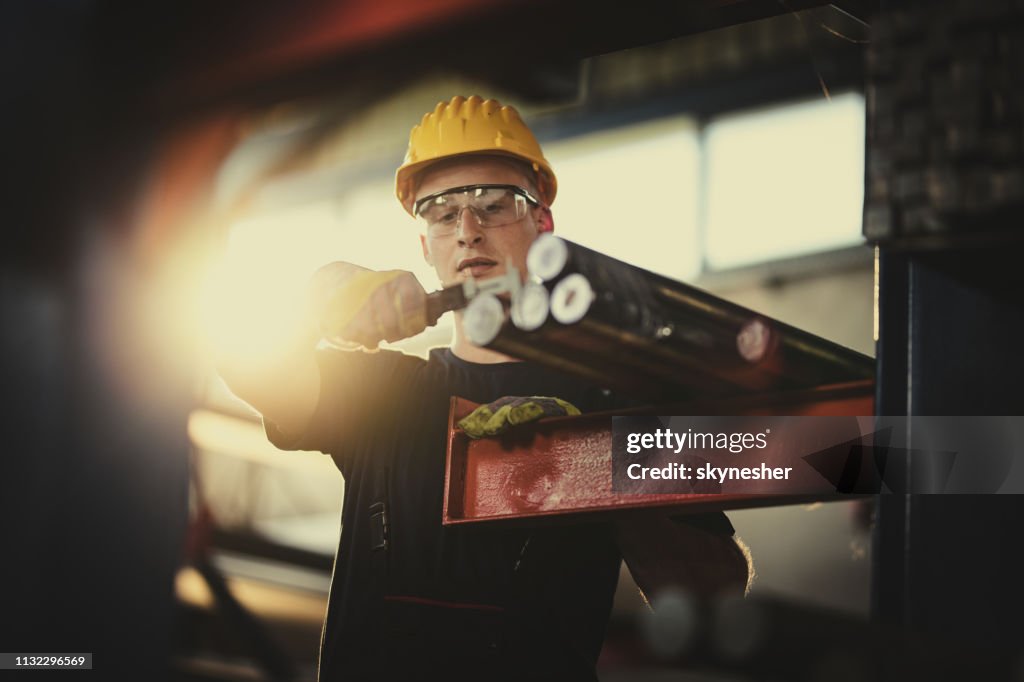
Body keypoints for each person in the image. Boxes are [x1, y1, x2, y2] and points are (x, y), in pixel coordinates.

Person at [218, 95, 749, 681]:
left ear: (542, 224)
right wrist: (322, 296)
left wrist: (591, 468)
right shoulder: (380, 394)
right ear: (425, 246)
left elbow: (712, 588)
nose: (468, 231)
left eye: (495, 206)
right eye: (443, 214)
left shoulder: (611, 402)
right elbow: (244, 362)